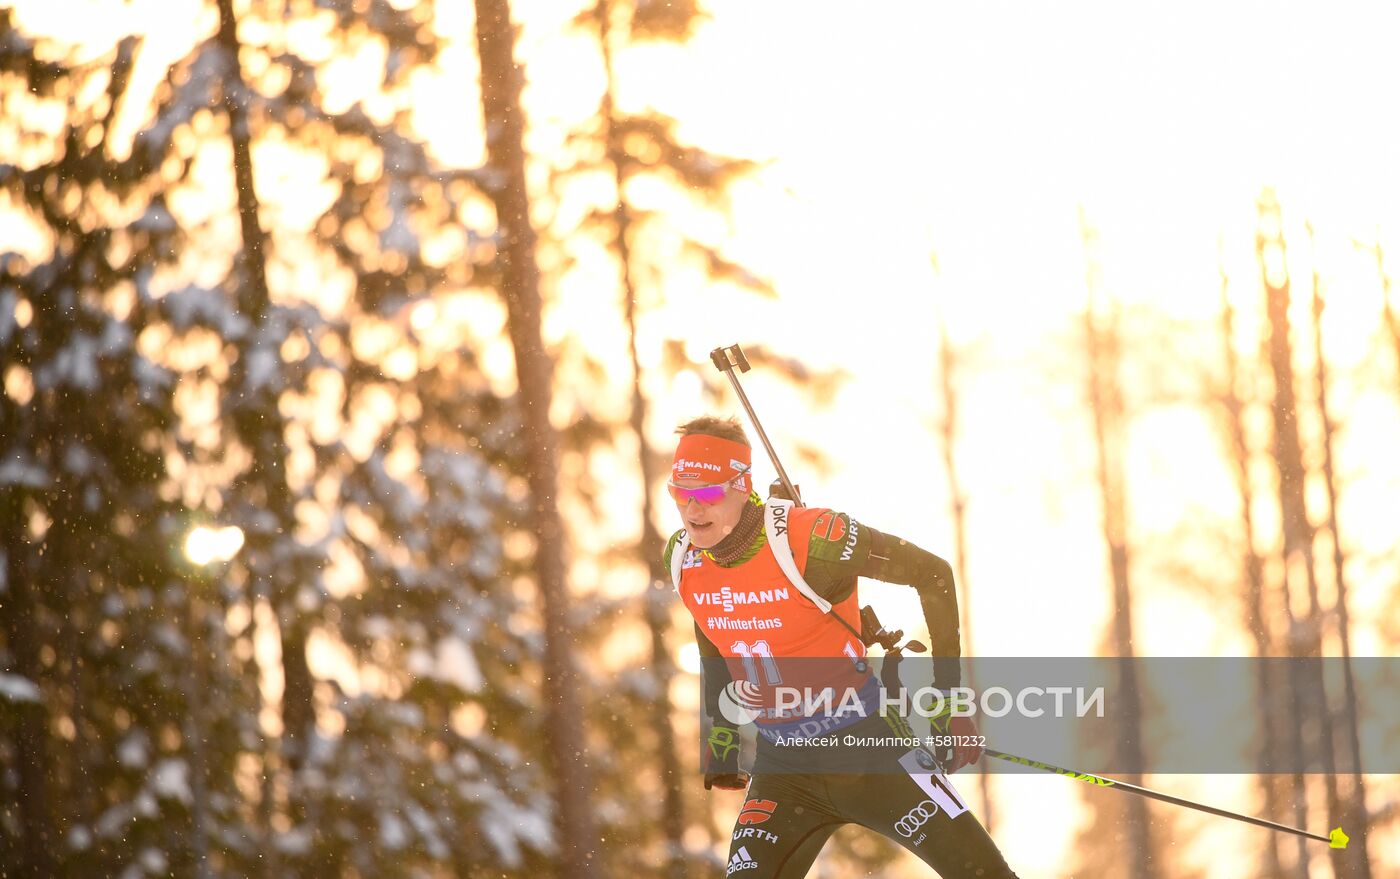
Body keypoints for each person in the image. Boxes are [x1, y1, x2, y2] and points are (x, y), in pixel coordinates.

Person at [663, 416, 1018, 878]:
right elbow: (710, 626)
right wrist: (723, 737)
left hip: (870, 749)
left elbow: (932, 574)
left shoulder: (812, 537)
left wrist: (949, 700)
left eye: (707, 492)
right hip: (783, 766)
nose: (692, 508)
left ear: (741, 484)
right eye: (679, 491)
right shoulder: (682, 557)